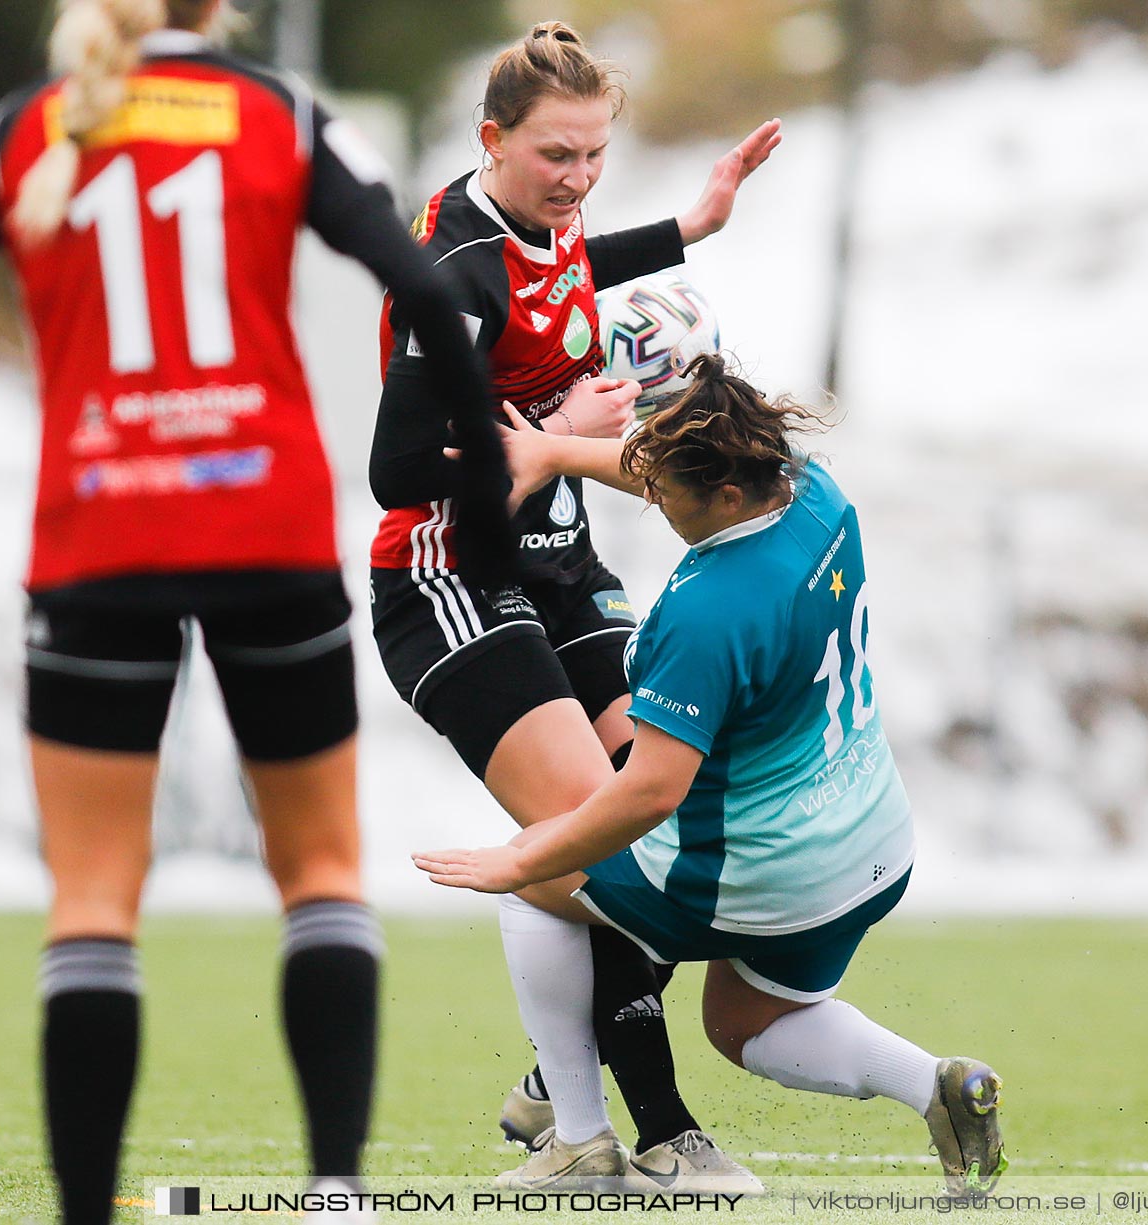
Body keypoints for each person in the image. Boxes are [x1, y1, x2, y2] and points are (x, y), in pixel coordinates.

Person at [0, 1, 513, 1221]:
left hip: (100, 538)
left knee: (95, 895)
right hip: (265, 526)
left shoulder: (26, 129)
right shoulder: (276, 115)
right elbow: (428, 291)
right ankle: (335, 1194)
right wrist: (488, 508)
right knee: (318, 871)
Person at [413, 355, 1010, 1195]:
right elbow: (666, 469)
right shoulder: (812, 491)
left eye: (669, 493)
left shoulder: (709, 611)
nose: (652, 498)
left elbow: (650, 792)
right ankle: (937, 1085)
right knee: (742, 1021)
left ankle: (578, 1142)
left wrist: (525, 858)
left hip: (763, 868)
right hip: (868, 842)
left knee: (537, 881)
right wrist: (552, 454)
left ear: (726, 496)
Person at [365, 20, 779, 1188]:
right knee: (602, 856)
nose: (580, 181)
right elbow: (396, 470)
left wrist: (690, 227)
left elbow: (569, 267)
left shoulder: (546, 224)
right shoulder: (452, 275)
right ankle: (646, 1135)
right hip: (454, 579)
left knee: (699, 825)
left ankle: (558, 1081)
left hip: (561, 570)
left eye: (597, 155)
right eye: (558, 156)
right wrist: (553, 439)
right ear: (491, 140)